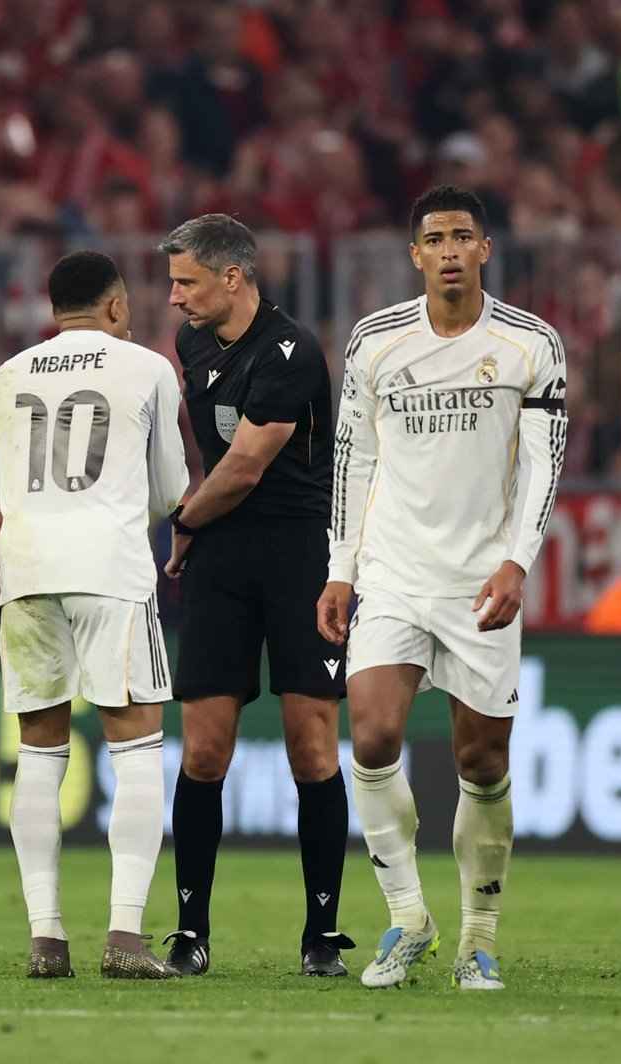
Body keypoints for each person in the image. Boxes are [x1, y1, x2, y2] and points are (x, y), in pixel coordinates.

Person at [317, 185, 568, 991]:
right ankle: (408, 916)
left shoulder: (531, 343)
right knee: (371, 736)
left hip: (480, 580)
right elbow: (352, 460)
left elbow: (545, 465)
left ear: (486, 249)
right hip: (393, 572)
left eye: (463, 236)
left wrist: (518, 560)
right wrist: (341, 569)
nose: (450, 249)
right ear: (416, 254)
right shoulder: (375, 342)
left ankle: (477, 940)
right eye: (435, 238)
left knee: (481, 758)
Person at [159, 214, 355, 978]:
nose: (174, 298)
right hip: (223, 556)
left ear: (232, 277)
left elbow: (242, 469)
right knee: (204, 751)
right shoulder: (192, 344)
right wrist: (197, 526)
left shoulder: (291, 351)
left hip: (298, 553)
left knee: (312, 747)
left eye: (186, 282)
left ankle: (321, 935)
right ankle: (190, 933)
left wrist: (182, 522)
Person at [0, 250, 188, 979]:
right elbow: (169, 490)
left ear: (53, 310)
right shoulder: (148, 367)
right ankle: (125, 937)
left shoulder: (7, 376)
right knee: (135, 748)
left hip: (27, 570)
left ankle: (46, 938)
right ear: (116, 306)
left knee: (40, 753)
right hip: (111, 570)